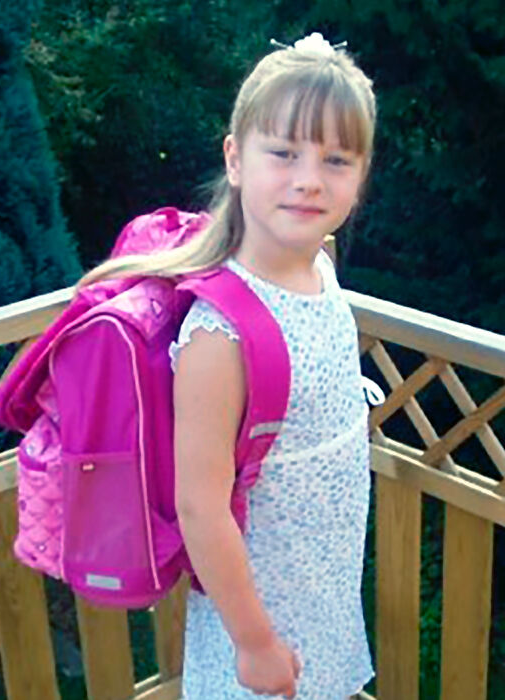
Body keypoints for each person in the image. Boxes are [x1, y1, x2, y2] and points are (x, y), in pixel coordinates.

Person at [76, 31, 377, 700]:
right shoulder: (220, 334)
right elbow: (201, 508)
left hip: (322, 593)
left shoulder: (320, 269)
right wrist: (255, 644)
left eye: (336, 159)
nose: (309, 178)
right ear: (236, 159)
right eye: (284, 153)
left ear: (361, 175)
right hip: (262, 622)